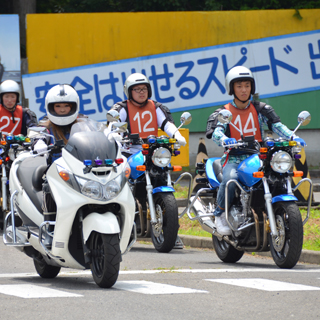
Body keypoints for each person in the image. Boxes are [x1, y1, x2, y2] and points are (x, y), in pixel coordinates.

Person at [205, 66, 306, 236]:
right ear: (232, 89)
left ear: (252, 86)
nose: (244, 90)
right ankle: (220, 214)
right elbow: (216, 132)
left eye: (247, 85)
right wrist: (224, 139)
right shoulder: (224, 112)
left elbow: (277, 126)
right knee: (230, 179)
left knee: (279, 175)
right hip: (234, 157)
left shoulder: (260, 109)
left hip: (258, 155)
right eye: (239, 86)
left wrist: (292, 136)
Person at [111, 72, 186, 248]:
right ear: (129, 92)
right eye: (136, 89)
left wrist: (177, 135)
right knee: (120, 182)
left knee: (165, 177)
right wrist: (115, 137)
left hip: (153, 151)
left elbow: (167, 124)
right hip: (130, 152)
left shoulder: (156, 107)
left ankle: (172, 231)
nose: (141, 92)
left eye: (144, 89)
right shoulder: (121, 108)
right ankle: (121, 226)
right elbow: (112, 127)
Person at [33, 84, 80, 246]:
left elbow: (96, 136)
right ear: (51, 107)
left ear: (73, 106)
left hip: (80, 170)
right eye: (58, 106)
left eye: (66, 105)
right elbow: (37, 137)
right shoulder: (45, 126)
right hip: (57, 173)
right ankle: (49, 228)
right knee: (47, 186)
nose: (62, 109)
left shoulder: (82, 123)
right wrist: (39, 143)